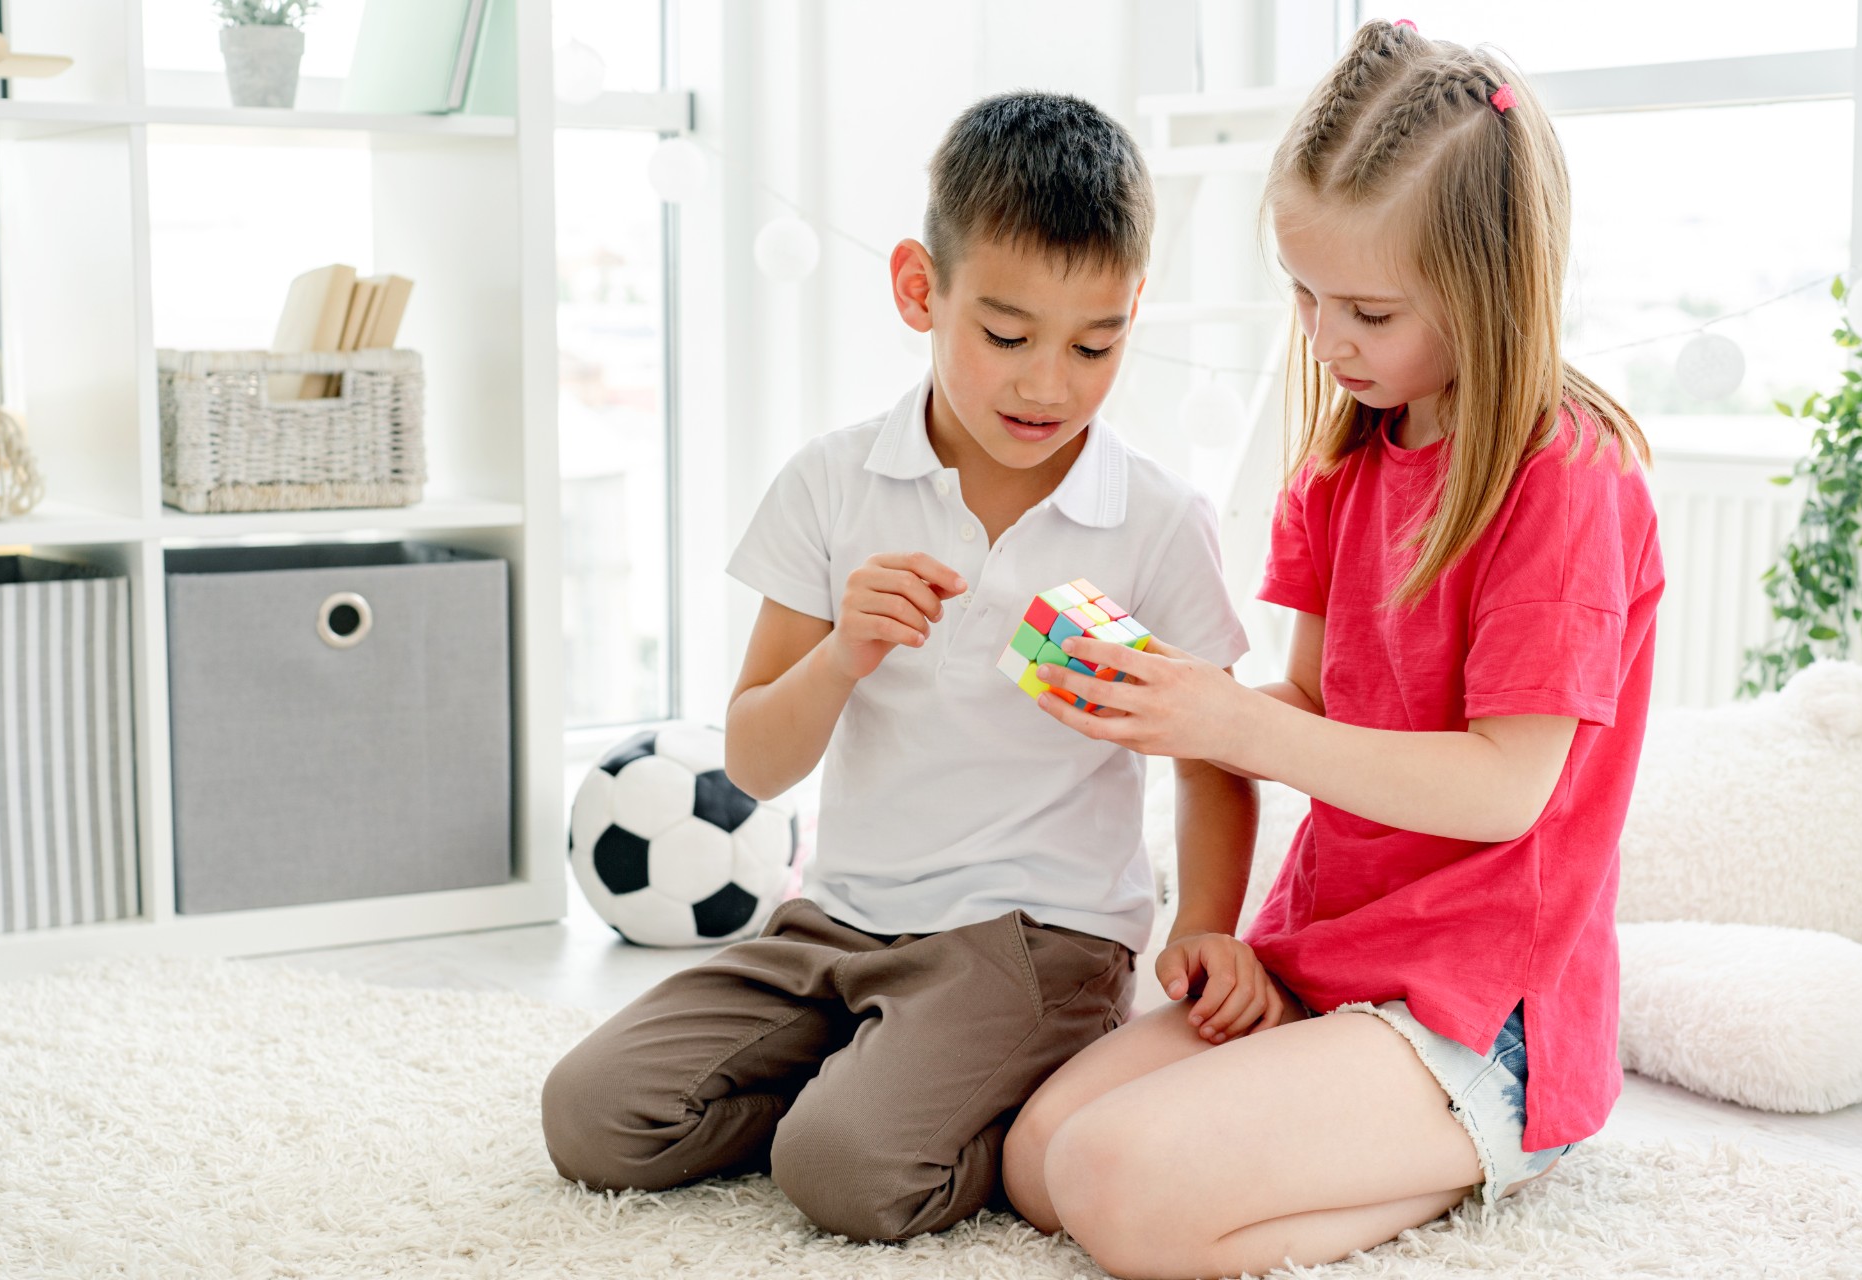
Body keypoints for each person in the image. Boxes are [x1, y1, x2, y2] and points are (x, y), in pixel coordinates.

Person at [1001, 20, 1666, 1279]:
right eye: (1302, 293)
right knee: (1040, 1159)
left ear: (1489, 287)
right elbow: (1311, 701)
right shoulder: (1350, 455)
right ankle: (1332, 1131)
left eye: (1366, 308)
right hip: (1333, 955)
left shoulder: (1567, 480)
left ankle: (1492, 1146)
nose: (1324, 336)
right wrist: (1164, 700)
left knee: (1117, 1188)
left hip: (1482, 1007)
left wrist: (1238, 723)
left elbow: (1502, 787)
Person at [539, 90, 1256, 1244]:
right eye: (1008, 334)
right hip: (837, 920)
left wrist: (1208, 923)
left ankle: (902, 1091)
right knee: (593, 1116)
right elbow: (756, 759)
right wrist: (842, 653)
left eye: (1098, 343)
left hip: (1036, 936)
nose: (1049, 385)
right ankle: (878, 1074)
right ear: (922, 289)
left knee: (849, 1175)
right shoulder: (833, 482)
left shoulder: (1158, 520)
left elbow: (1218, 754)